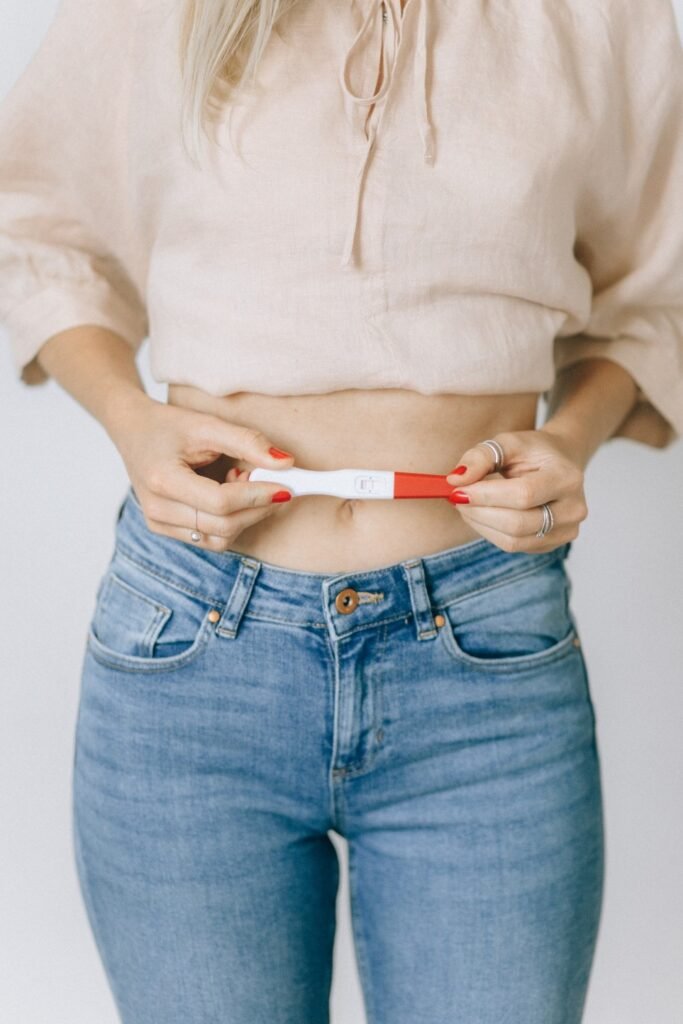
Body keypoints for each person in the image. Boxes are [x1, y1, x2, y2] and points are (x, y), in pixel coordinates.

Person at [1, 0, 681, 1021]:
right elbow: (34, 229)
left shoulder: (593, 17)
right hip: (192, 650)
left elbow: (655, 292)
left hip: (484, 660)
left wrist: (569, 440)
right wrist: (134, 425)